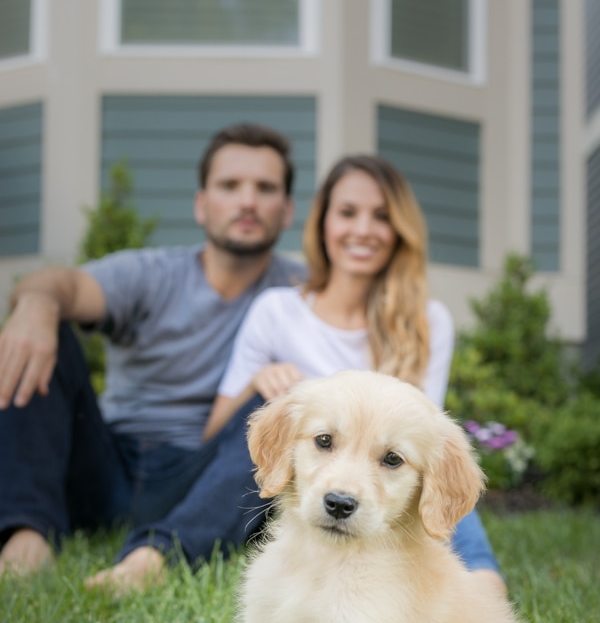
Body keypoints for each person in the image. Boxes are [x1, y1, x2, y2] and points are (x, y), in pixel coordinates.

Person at [0, 123, 304, 589]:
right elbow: (63, 285)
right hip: (106, 467)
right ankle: (26, 534)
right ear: (202, 205)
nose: (247, 201)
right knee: (48, 333)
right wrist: (36, 305)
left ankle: (155, 560)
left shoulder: (305, 294)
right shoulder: (151, 273)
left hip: (210, 480)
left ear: (287, 211)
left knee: (284, 402)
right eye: (230, 186)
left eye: (265, 189)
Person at [204, 154, 507, 598]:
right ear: (323, 223)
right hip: (291, 498)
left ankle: (482, 584)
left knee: (429, 462)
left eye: (381, 216)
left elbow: (425, 445)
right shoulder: (277, 310)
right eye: (347, 213)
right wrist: (259, 382)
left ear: (400, 231)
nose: (363, 229)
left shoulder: (428, 321)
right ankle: (157, 554)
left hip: (376, 503)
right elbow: (217, 435)